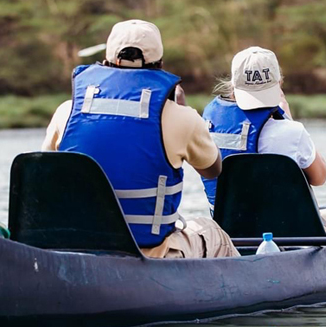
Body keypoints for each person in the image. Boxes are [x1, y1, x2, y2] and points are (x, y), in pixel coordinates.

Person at [42, 19, 240, 259]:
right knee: (213, 232)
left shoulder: (66, 111)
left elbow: (47, 175)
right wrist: (186, 114)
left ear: (107, 62)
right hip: (150, 253)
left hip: (75, 249)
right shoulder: (183, 118)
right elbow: (213, 170)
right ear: (160, 64)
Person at [202, 46, 326, 240]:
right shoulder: (291, 132)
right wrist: (289, 121)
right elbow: (320, 177)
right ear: (279, 83)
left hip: (231, 231)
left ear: (233, 88)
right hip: (287, 233)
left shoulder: (208, 124)